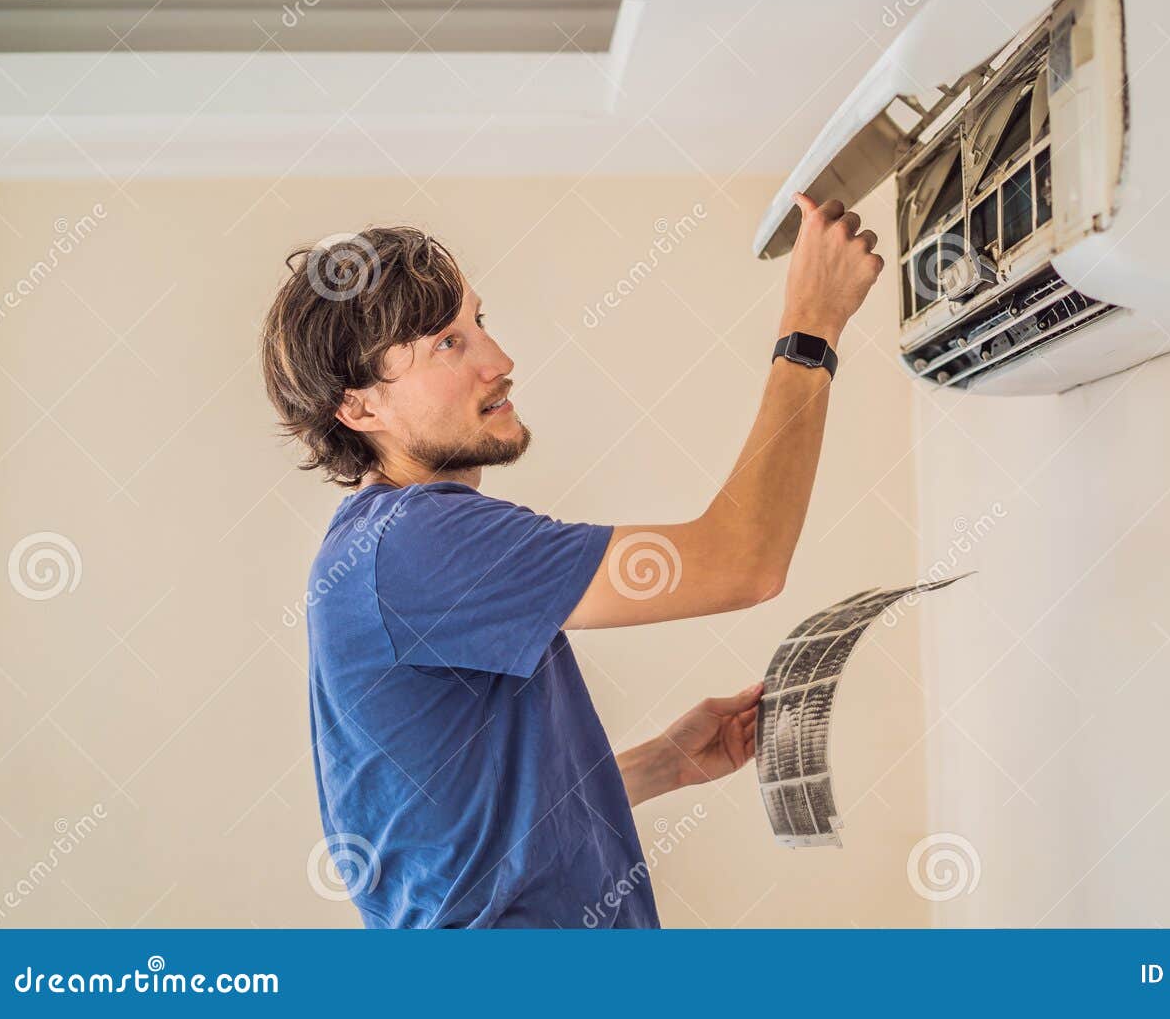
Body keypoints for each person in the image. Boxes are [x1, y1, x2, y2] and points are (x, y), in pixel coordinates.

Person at [258, 194, 883, 927]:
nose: (499, 361)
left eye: (477, 323)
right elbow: (743, 561)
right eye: (446, 345)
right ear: (360, 409)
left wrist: (660, 762)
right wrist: (812, 325)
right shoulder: (415, 542)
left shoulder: (382, 546)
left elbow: (457, 842)